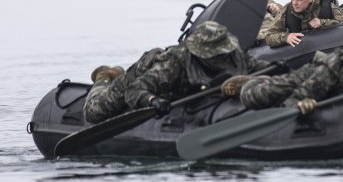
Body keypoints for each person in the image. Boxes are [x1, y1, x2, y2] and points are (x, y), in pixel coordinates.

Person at [83, 21, 276, 123]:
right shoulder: (173, 64)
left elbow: (257, 67)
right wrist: (153, 100)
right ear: (202, 54)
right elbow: (134, 90)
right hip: (146, 72)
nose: (223, 57)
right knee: (95, 113)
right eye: (216, 54)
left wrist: (280, 67)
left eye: (224, 51)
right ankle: (105, 76)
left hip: (192, 90)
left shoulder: (233, 54)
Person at [259, 0, 343, 47]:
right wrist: (286, 37)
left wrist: (323, 22)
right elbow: (269, 36)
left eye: (299, 0)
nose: (295, 3)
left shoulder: (326, 6)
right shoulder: (287, 10)